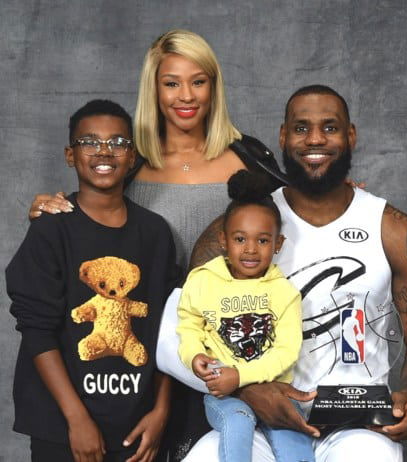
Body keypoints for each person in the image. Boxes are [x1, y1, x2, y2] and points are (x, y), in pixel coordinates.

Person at [27, 29, 287, 459]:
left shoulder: (251, 161)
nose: (186, 96)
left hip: (232, 354)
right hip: (149, 363)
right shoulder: (129, 164)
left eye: (198, 81)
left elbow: (293, 221)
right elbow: (90, 226)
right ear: (154, 88)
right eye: (171, 83)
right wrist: (47, 208)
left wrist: (338, 194)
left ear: (214, 87)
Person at [156, 84, 407, 462]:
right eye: (301, 128)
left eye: (330, 127)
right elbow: (173, 339)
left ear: (351, 135)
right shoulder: (241, 230)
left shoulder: (394, 230)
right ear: (283, 136)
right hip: (260, 418)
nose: (315, 139)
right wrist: (246, 389)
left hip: (356, 424)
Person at [6, 100, 180, 462]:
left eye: (118, 142)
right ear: (70, 155)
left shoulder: (155, 233)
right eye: (89, 141)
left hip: (137, 424)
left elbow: (170, 326)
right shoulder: (51, 229)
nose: (104, 150)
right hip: (63, 425)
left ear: (132, 156)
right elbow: (37, 329)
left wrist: (161, 411)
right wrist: (76, 418)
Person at [176, 170, 313, 462]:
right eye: (240, 239)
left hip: (275, 390)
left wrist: (240, 376)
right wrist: (194, 355)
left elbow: (286, 351)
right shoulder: (203, 280)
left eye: (262, 241)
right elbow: (189, 326)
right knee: (238, 423)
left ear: (278, 244)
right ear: (224, 240)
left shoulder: (284, 293)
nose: (250, 249)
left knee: (295, 445)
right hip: (225, 397)